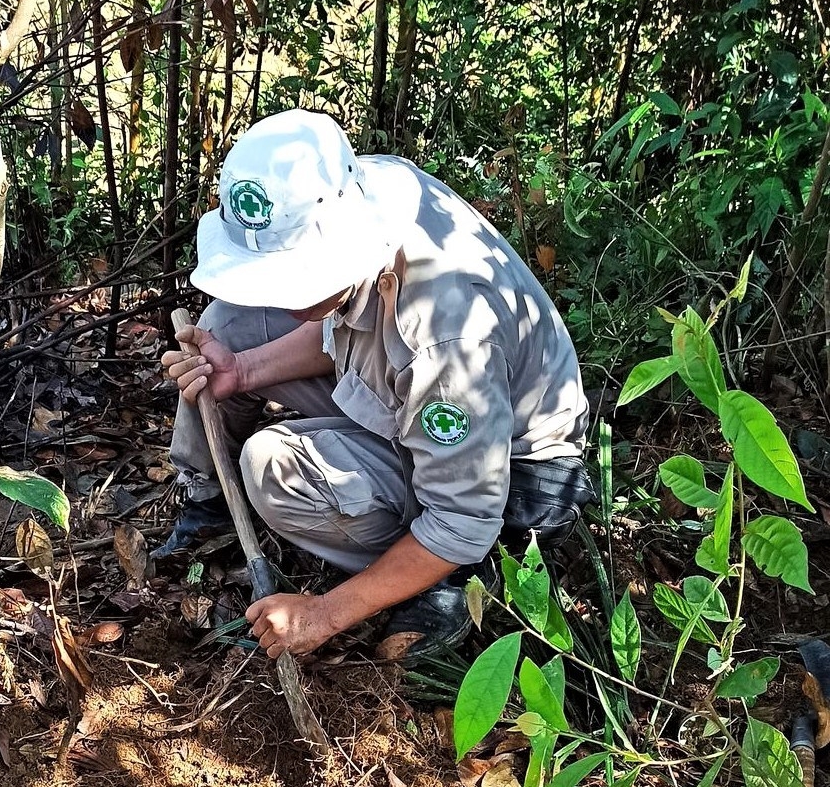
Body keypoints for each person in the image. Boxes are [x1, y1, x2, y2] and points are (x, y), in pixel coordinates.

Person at [156, 109, 594, 661]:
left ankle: (450, 576)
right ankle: (209, 499)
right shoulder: (359, 190)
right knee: (225, 326)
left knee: (273, 467)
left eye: (294, 276)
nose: (282, 295)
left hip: (511, 474)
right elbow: (347, 327)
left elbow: (463, 515)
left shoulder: (444, 336)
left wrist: (325, 613)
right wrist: (241, 372)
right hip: (419, 385)